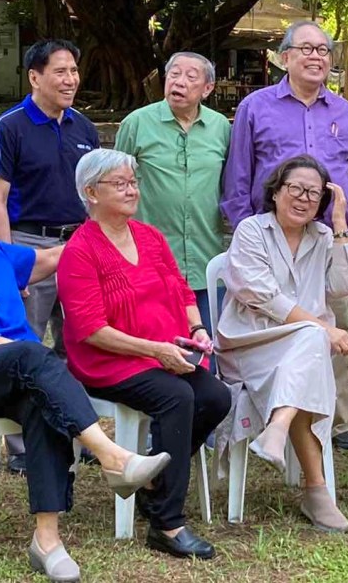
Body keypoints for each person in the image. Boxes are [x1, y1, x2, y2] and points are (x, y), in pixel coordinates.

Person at [0, 168, 170, 581]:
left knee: (43, 404)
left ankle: (47, 540)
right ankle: (112, 456)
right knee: (30, 354)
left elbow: (46, 260)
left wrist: (100, 234)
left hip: (15, 372)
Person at [57, 149, 230, 560]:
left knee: (216, 396)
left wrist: (196, 329)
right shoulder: (81, 250)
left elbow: (182, 290)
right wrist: (155, 350)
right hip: (109, 361)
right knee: (178, 396)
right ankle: (167, 524)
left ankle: (152, 480)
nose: (131, 190)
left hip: (162, 351)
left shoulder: (149, 236)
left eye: (133, 182)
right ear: (91, 192)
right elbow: (91, 330)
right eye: (120, 184)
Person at [221, 20, 348, 452]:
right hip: (268, 241)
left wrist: (346, 232)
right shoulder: (255, 107)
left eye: (323, 50)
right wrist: (253, 234)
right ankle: (270, 415)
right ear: (284, 57)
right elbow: (238, 176)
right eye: (306, 48)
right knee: (273, 324)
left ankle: (334, 423)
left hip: (324, 243)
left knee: (331, 327)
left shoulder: (345, 113)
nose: (315, 57)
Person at [216, 155, 348, 534]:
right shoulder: (252, 230)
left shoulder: (323, 236)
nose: (303, 198)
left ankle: (279, 428)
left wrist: (340, 226)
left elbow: (347, 285)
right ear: (276, 191)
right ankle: (316, 491)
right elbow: (261, 295)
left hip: (302, 350)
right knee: (313, 339)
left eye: (314, 194)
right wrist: (325, 328)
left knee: (308, 348)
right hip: (251, 343)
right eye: (295, 188)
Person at [0, 39, 99, 474]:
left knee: (79, 342)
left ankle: (78, 431)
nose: (70, 80)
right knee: (23, 344)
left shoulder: (84, 128)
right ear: (35, 76)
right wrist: (8, 265)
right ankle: (21, 446)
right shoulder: (9, 126)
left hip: (77, 245)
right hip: (28, 244)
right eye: (60, 71)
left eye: (74, 71)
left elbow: (94, 196)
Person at [114, 52, 231, 336]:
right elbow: (113, 186)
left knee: (209, 346)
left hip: (205, 257)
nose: (179, 82)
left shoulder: (221, 128)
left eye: (191, 77)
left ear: (207, 88)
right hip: (148, 262)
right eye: (174, 74)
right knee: (155, 344)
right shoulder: (136, 123)